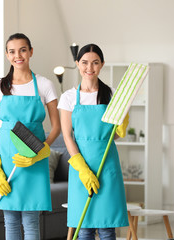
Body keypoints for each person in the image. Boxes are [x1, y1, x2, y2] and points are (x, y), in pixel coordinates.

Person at [0, 33, 61, 239]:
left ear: (31, 52)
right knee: (10, 220)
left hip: (34, 159)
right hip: (8, 159)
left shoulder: (44, 84)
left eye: (22, 50)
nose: (17, 55)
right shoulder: (1, 86)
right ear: (6, 55)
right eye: (12, 51)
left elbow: (57, 127)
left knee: (31, 219)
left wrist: (40, 152)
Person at [58, 44, 129, 240]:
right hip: (81, 166)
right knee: (84, 227)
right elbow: (67, 136)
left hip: (107, 164)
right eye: (85, 63)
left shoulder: (112, 95)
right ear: (77, 64)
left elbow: (113, 135)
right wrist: (82, 168)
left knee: (107, 227)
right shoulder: (69, 97)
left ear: (102, 64)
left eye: (95, 63)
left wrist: (121, 128)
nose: (90, 67)